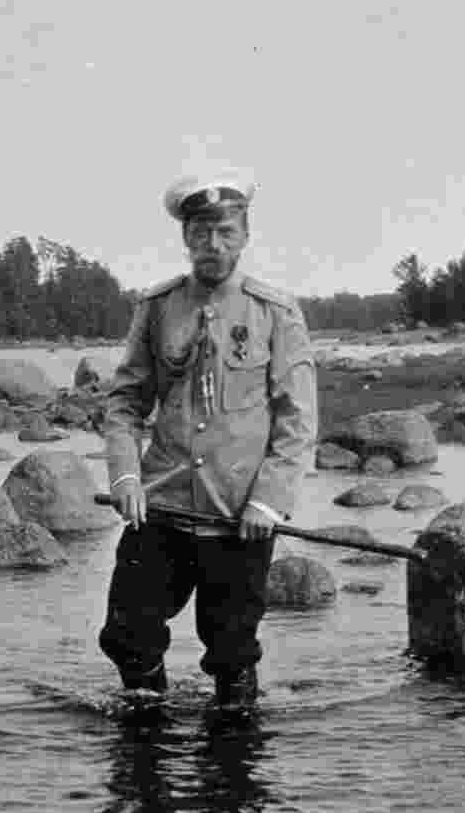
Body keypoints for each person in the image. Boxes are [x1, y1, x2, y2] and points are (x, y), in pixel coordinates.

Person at [99, 171, 318, 706]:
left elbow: (297, 421)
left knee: (231, 650)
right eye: (201, 232)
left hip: (239, 517)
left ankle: (234, 757)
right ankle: (144, 740)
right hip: (161, 509)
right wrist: (126, 476)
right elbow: (125, 404)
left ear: (244, 235)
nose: (213, 245)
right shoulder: (157, 307)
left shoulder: (276, 312)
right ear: (185, 238)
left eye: (225, 231)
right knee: (128, 636)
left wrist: (268, 502)